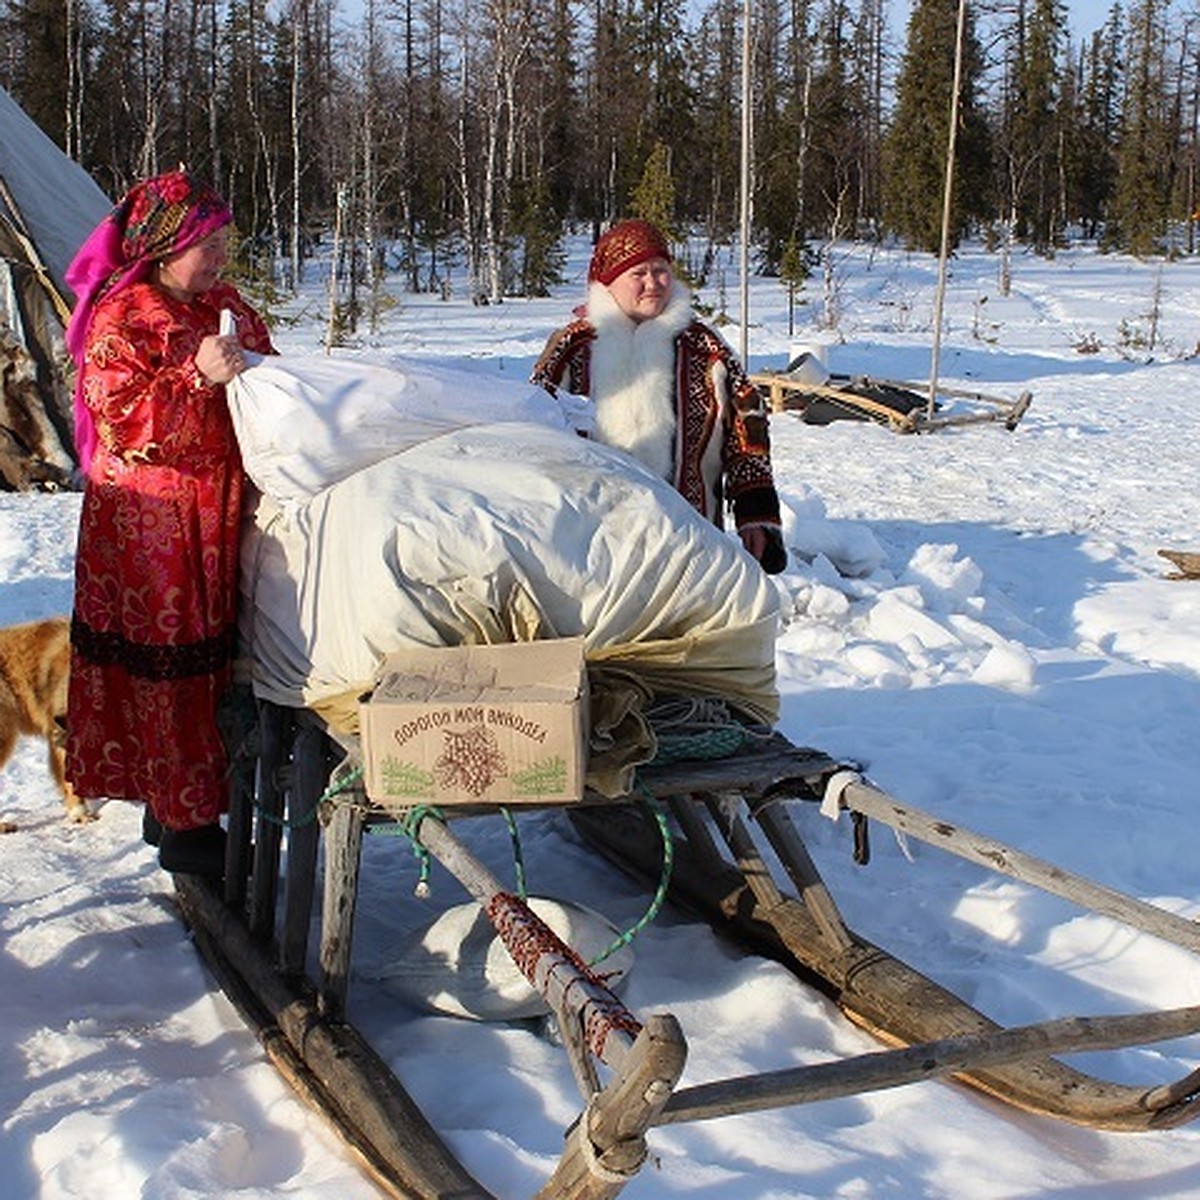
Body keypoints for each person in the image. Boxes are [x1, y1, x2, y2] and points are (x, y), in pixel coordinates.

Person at [62, 168, 274, 878]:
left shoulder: (222, 304)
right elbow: (123, 422)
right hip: (151, 525)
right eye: (204, 243)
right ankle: (185, 821)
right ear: (164, 245)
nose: (217, 256)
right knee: (171, 666)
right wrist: (195, 378)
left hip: (212, 509)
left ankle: (176, 799)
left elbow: (268, 378)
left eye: (221, 242)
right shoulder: (124, 317)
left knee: (213, 659)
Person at [531, 218, 787, 574]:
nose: (653, 283)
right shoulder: (572, 348)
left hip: (693, 541)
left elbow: (748, 431)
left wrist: (756, 514)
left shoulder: (706, 349)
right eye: (639, 273)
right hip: (588, 548)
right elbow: (532, 427)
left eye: (661, 270)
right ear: (609, 282)